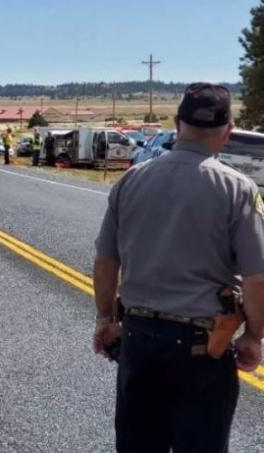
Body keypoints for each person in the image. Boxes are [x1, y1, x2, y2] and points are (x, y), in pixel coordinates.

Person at [93, 82, 264, 452]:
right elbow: (256, 278)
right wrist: (253, 336)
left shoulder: (131, 180)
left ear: (176, 123)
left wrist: (106, 319)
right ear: (228, 131)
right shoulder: (238, 189)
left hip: (138, 340)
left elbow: (106, 261)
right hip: (202, 349)